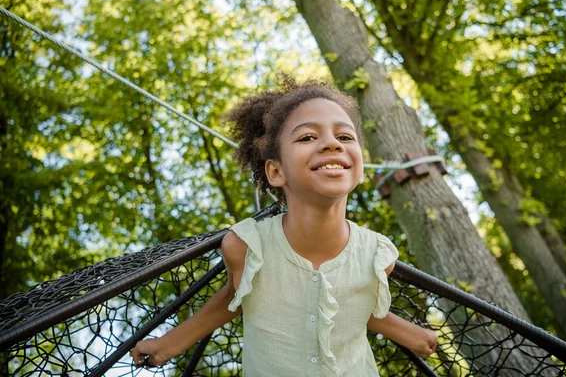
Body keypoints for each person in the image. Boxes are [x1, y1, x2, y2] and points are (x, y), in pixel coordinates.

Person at [130, 77, 438, 375]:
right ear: (276, 171)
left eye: (345, 137)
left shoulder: (376, 255)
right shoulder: (247, 247)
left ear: (358, 170)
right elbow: (232, 300)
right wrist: (169, 345)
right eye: (307, 137)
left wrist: (412, 335)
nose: (332, 143)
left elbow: (357, 308)